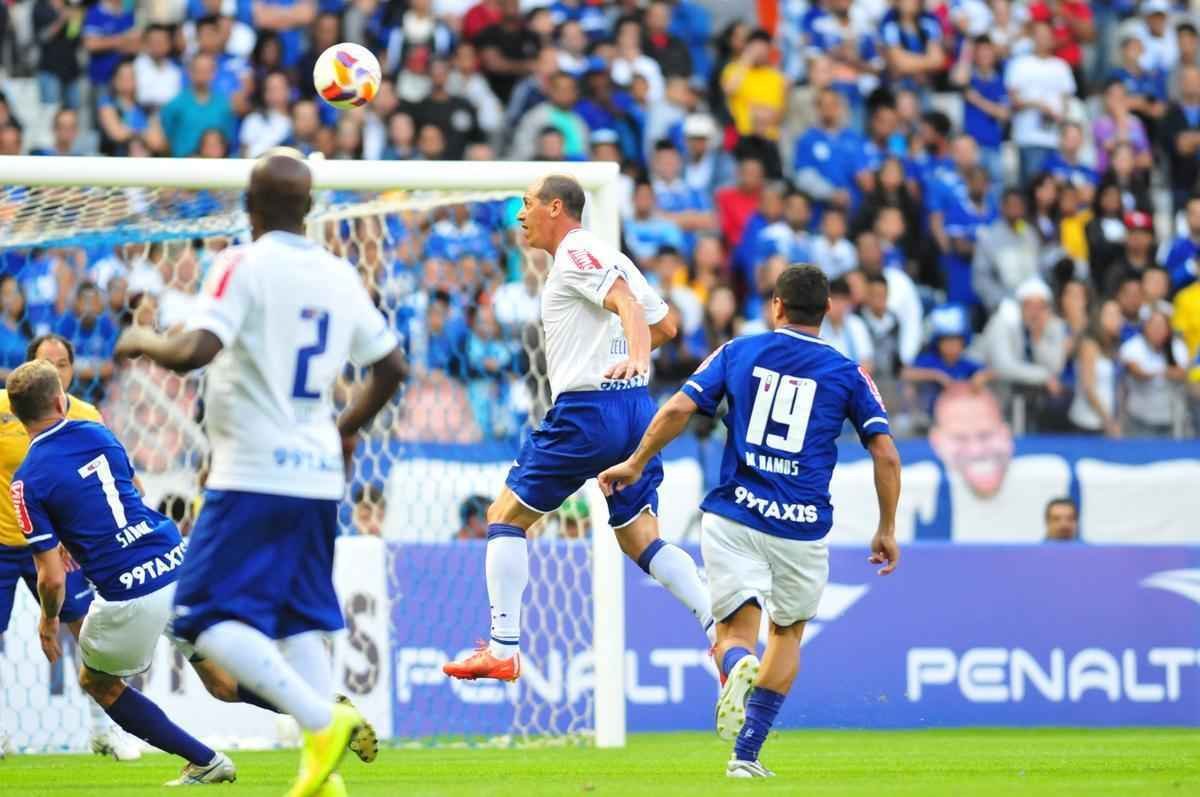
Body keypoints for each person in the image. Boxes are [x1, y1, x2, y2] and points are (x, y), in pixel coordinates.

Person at [114, 152, 404, 795]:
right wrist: (345, 428)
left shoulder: (241, 263)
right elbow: (391, 370)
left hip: (251, 471)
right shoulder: (338, 272)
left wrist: (145, 341)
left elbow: (197, 351)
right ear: (308, 209)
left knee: (196, 616)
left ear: (249, 209)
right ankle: (326, 779)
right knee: (300, 621)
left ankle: (318, 720)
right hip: (318, 476)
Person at [597, 264, 901, 778]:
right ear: (828, 312)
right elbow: (887, 455)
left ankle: (736, 665)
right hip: (800, 527)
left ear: (776, 306)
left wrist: (635, 462)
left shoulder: (739, 351)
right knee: (786, 634)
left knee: (738, 631)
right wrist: (886, 527)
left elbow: (677, 408)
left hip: (734, 515)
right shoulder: (850, 372)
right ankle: (746, 755)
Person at [440, 174, 715, 685]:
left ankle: (502, 647)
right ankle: (720, 632)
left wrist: (630, 356)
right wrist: (625, 360)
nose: (520, 215)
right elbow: (667, 327)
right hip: (634, 411)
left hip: (588, 413)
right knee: (640, 539)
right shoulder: (609, 254)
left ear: (555, 207)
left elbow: (627, 307)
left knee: (504, 515)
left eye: (526, 203)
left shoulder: (576, 253)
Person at [0, 342, 141, 762]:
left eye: (62, 364)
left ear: (72, 371)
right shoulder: (6, 408)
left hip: (61, 547)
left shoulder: (86, 417)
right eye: (47, 365)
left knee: (90, 635)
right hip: (4, 543)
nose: (56, 371)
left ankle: (105, 729)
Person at [1068, 299, 1123, 437]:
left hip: (1105, 422)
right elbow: (1088, 388)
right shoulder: (1088, 345)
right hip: (1087, 423)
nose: (1119, 319)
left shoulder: (1113, 347)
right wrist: (1108, 421)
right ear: (1099, 318)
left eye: (1119, 314)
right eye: (1112, 315)